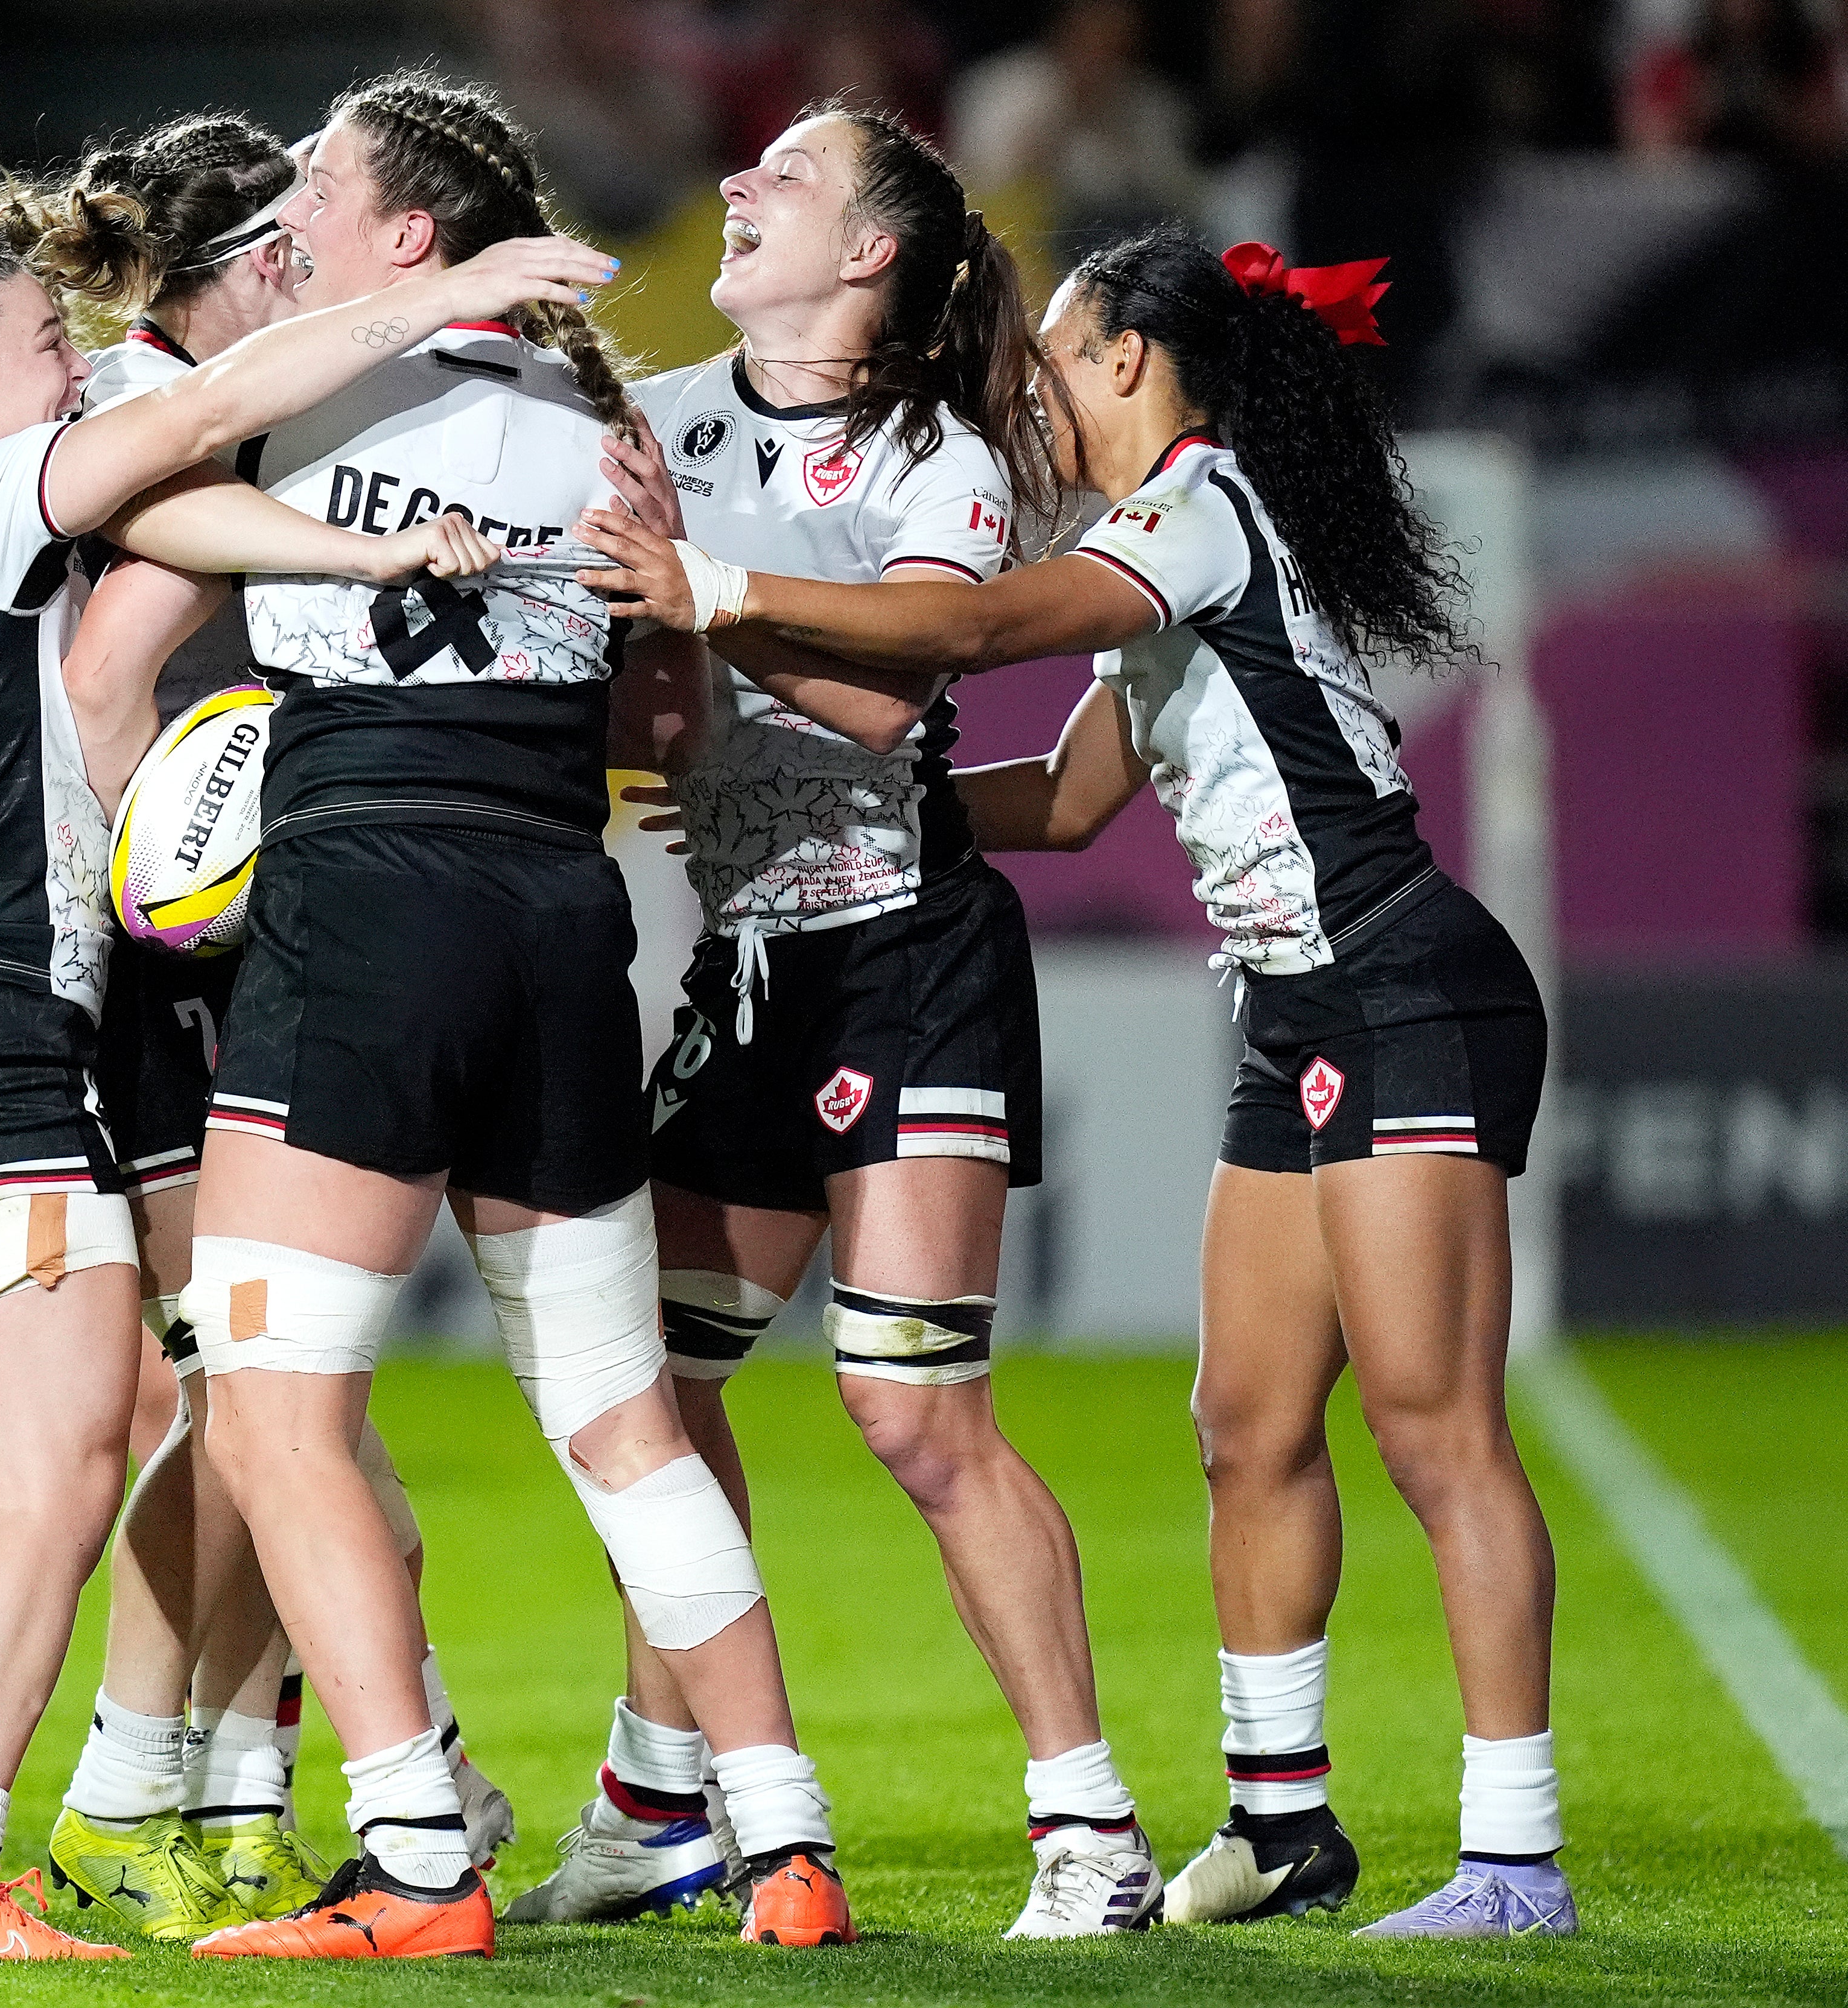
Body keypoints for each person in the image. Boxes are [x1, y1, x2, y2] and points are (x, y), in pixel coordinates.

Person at [0, 208, 610, 1959]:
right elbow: (207, 408)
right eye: (45, 342)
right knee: (59, 1474)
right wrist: (426, 297)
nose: (77, 358)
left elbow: (153, 507)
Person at [577, 223, 1574, 1941]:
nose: (1031, 386)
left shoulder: (1190, 508)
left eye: (1052, 354)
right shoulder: (1164, 547)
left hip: (1402, 988)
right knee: (1245, 1426)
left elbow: (966, 630)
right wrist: (839, 807)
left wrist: (719, 595)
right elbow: (1063, 802)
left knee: (1432, 1428)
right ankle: (1281, 1828)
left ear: (1126, 360)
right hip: (1297, 1006)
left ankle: (1514, 1859)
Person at [102, 71, 853, 1961]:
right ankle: (785, 1843)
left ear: (413, 240)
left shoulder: (294, 377)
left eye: (321, 194)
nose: (286, 226)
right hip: (557, 912)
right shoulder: (601, 422)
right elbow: (663, 723)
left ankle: (418, 1854)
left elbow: (131, 548)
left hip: (364, 907)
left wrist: (164, 903)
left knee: (274, 1413)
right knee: (623, 1421)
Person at [509, 102, 1161, 1940]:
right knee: (654, 1388)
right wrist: (626, 681)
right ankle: (657, 1804)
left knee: (911, 1407)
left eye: (785, 175)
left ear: (871, 253)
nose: (735, 182)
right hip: (749, 965)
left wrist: (695, 598)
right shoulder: (666, 422)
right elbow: (653, 709)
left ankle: (1086, 1831)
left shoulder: (932, 454)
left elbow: (893, 698)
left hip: (904, 949)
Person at [33, 116, 515, 1942]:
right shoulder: (189, 408)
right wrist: (146, 908)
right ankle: (123, 1790)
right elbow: (99, 686)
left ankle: (242, 1791)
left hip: (198, 957)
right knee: (251, 1398)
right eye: (296, 221)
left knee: (275, 1406)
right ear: (244, 253)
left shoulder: (163, 391)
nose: (319, 248)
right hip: (178, 972)